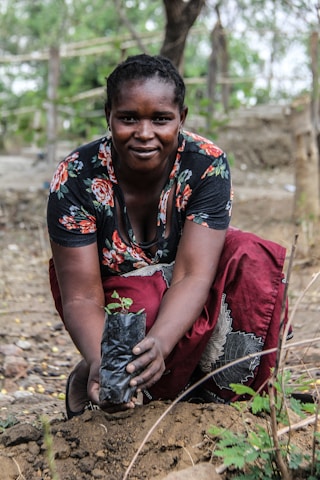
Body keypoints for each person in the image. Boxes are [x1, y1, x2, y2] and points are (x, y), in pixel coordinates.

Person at [47, 53, 290, 419]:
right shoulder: (76, 177)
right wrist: (103, 360)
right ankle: (104, 377)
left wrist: (161, 344)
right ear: (108, 116)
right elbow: (81, 295)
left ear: (182, 118)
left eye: (161, 119)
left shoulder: (206, 164)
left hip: (188, 283)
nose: (145, 134)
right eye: (128, 118)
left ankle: (218, 402)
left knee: (252, 258)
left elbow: (194, 274)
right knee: (143, 302)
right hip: (117, 295)